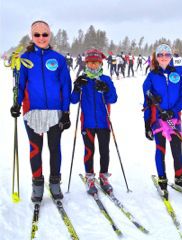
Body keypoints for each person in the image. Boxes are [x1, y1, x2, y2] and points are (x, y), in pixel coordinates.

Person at [10, 20, 72, 202]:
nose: (41, 38)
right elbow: (20, 86)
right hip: (32, 112)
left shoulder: (58, 59)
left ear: (49, 35)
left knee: (54, 148)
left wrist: (66, 112)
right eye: (37, 35)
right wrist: (16, 104)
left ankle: (54, 182)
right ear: (32, 36)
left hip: (55, 112)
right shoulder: (25, 59)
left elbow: (65, 86)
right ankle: (37, 184)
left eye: (44, 34)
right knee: (35, 149)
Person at [142, 43, 182, 199]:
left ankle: (179, 179)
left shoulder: (177, 74)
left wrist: (173, 111)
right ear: (156, 58)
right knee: (160, 149)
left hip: (173, 119)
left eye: (167, 55)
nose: (164, 57)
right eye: (160, 55)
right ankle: (162, 180)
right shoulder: (151, 76)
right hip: (158, 119)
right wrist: (146, 123)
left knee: (177, 149)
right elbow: (147, 100)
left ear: (171, 57)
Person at [71, 49, 118, 195]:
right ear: (86, 63)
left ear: (100, 63)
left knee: (104, 151)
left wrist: (106, 89)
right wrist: (77, 87)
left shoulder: (106, 79)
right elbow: (73, 100)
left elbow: (113, 99)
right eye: (90, 63)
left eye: (96, 62)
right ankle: (90, 177)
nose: (93, 65)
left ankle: (104, 177)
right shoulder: (83, 79)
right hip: (87, 123)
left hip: (104, 123)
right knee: (89, 151)